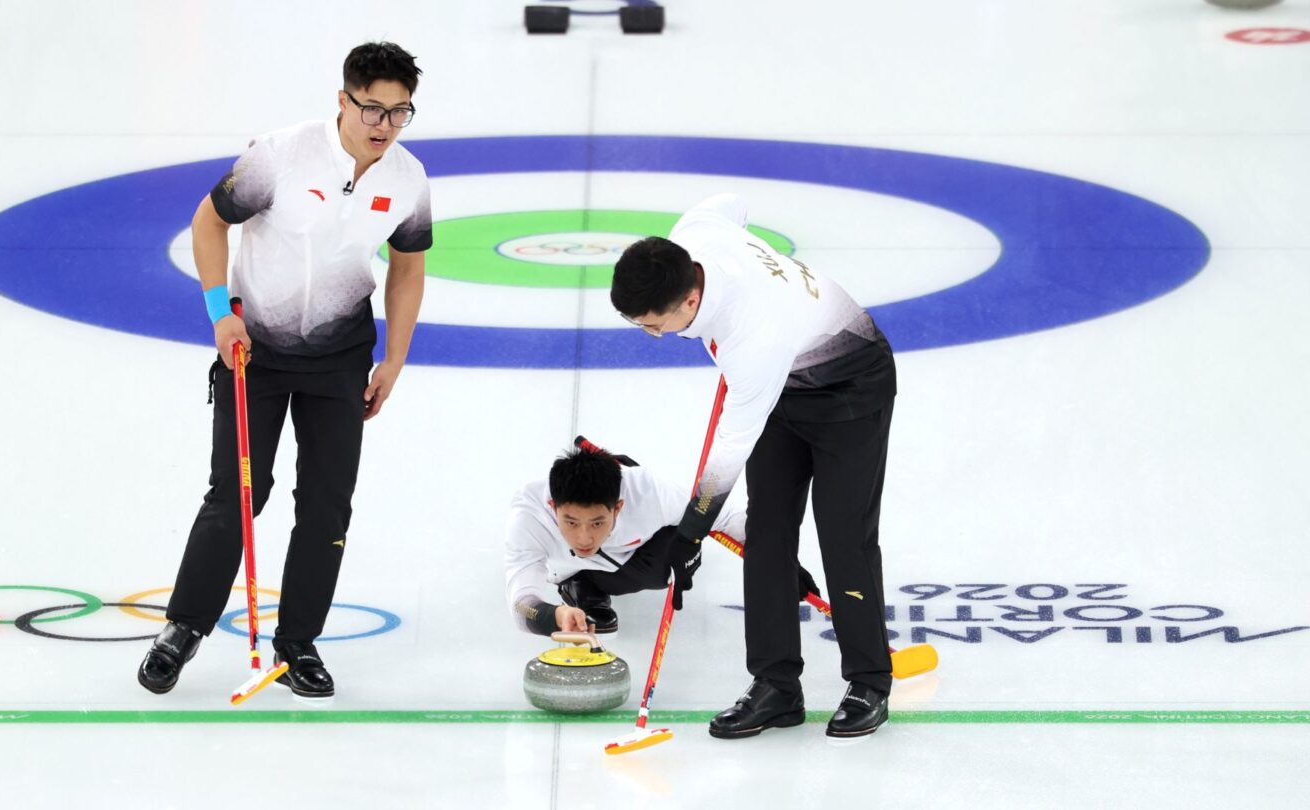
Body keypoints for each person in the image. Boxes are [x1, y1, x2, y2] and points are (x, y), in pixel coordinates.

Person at [138, 42, 432, 699]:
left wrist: (396, 356)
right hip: (256, 351)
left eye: (399, 112)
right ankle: (182, 629)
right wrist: (221, 314)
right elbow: (208, 223)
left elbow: (408, 267)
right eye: (371, 109)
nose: (383, 125)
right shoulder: (279, 155)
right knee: (238, 494)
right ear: (343, 100)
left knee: (327, 504)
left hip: (341, 357)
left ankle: (298, 642)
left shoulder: (407, 178)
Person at [610, 193, 898, 738]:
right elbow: (732, 204)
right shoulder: (695, 229)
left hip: (850, 390)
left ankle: (870, 681)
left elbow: (729, 453)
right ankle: (776, 687)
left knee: (844, 535)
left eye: (654, 325)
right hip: (782, 386)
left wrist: (689, 533)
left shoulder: (752, 338)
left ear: (690, 299)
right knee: (767, 532)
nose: (652, 335)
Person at [506, 445, 819, 636]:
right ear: (552, 507)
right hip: (573, 570)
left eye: (598, 522)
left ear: (618, 507)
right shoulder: (529, 516)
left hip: (641, 561)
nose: (584, 537)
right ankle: (583, 589)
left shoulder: (647, 492)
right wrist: (553, 616)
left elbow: (722, 514)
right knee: (582, 572)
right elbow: (522, 605)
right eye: (570, 522)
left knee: (680, 538)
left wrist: (779, 563)